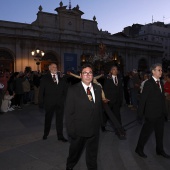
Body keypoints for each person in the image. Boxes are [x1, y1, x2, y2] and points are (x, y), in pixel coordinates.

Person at [65, 63, 103, 170]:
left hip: (94, 129)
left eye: (90, 73)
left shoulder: (97, 88)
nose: (88, 75)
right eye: (85, 73)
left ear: (93, 75)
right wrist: (71, 131)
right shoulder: (73, 90)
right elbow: (69, 112)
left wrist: (101, 123)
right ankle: (69, 166)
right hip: (79, 130)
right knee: (74, 153)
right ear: (81, 75)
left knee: (92, 154)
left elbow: (98, 107)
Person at [135, 63, 170, 158]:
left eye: (161, 70)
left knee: (160, 134)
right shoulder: (148, 83)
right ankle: (139, 149)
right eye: (159, 70)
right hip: (151, 114)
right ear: (153, 71)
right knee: (145, 133)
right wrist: (140, 114)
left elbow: (162, 98)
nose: (161, 72)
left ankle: (160, 150)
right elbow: (143, 99)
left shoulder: (161, 83)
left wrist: (165, 112)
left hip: (160, 114)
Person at [39, 63, 68, 142]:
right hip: (49, 102)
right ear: (49, 68)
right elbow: (41, 91)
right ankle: (45, 134)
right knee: (48, 119)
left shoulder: (61, 77)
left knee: (60, 120)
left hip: (60, 102)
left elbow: (65, 90)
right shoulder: (45, 78)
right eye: (53, 67)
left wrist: (68, 100)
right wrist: (40, 102)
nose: (55, 68)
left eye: (56, 67)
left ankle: (60, 136)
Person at [103, 65, 124, 138]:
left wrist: (121, 100)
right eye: (114, 69)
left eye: (116, 69)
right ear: (111, 71)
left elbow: (121, 91)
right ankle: (103, 125)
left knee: (117, 115)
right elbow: (105, 89)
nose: (115, 70)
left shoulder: (120, 79)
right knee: (106, 115)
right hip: (109, 100)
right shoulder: (108, 79)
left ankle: (119, 129)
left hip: (117, 101)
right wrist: (105, 98)